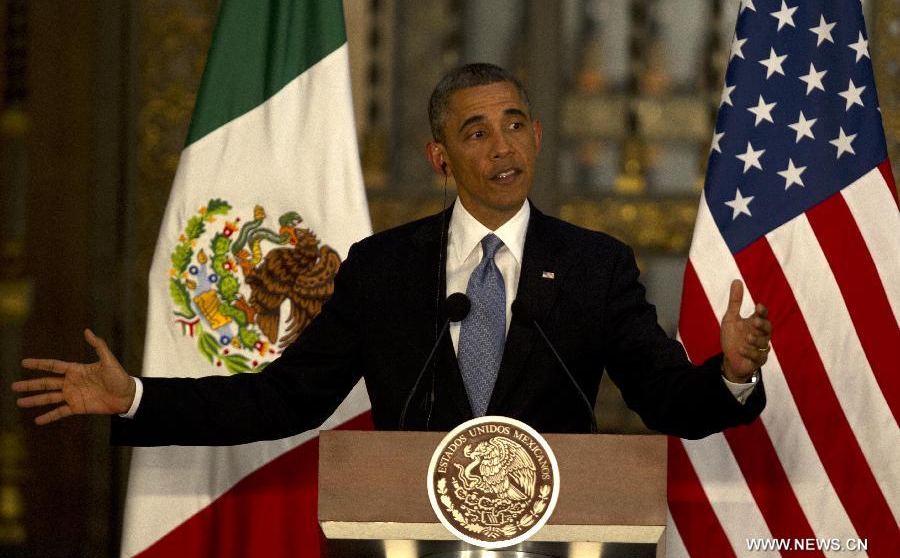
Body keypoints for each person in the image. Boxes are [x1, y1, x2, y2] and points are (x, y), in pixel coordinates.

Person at [13, 63, 771, 442]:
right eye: (476, 132)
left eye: (515, 125)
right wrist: (137, 397)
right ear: (441, 158)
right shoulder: (383, 269)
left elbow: (665, 398)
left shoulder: (594, 265)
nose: (502, 146)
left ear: (537, 138)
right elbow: (287, 398)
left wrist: (731, 376)